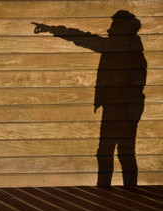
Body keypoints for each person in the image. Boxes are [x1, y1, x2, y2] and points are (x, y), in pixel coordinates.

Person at [32, 10, 147, 186]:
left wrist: (53, 29)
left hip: (118, 106)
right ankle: (128, 191)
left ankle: (106, 191)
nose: (110, 27)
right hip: (126, 105)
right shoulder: (130, 44)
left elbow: (86, 39)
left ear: (120, 26)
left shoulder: (121, 44)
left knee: (109, 151)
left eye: (114, 23)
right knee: (124, 151)